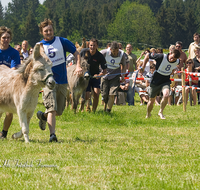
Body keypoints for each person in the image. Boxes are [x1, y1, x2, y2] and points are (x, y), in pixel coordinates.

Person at [36, 18, 82, 142]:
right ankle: (52, 135)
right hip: (48, 82)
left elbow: (76, 53)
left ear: (53, 30)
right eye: (46, 31)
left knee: (59, 111)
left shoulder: (62, 41)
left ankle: (43, 116)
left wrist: (78, 66)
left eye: (50, 30)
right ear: (42, 32)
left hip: (62, 81)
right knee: (52, 108)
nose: (49, 32)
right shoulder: (40, 46)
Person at [142, 49, 180, 119]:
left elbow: (173, 66)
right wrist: (143, 67)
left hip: (165, 80)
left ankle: (161, 112)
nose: (172, 60)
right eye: (172, 57)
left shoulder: (177, 61)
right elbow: (147, 55)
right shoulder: (161, 56)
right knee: (151, 101)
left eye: (174, 59)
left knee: (166, 95)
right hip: (156, 80)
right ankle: (148, 114)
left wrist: (172, 71)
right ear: (170, 53)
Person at [0, 26, 20, 139]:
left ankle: (4, 133)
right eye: (3, 37)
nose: (6, 40)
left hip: (8, 85)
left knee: (9, 111)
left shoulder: (14, 53)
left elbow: (13, 70)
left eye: (8, 37)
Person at [80, 38, 107, 112]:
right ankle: (83, 107)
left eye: (94, 45)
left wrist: (99, 75)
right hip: (85, 76)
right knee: (87, 95)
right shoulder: (83, 52)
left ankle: (94, 111)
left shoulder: (100, 56)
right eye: (91, 45)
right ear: (89, 45)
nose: (92, 47)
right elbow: (78, 62)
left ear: (97, 46)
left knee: (96, 93)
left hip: (95, 77)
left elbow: (105, 71)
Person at [100, 41, 126, 112]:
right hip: (105, 76)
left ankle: (108, 110)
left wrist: (123, 75)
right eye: (114, 51)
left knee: (112, 94)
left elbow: (124, 65)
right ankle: (105, 106)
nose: (116, 53)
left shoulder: (122, 54)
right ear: (110, 49)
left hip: (115, 76)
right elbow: (97, 59)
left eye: (117, 50)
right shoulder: (104, 52)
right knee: (105, 94)